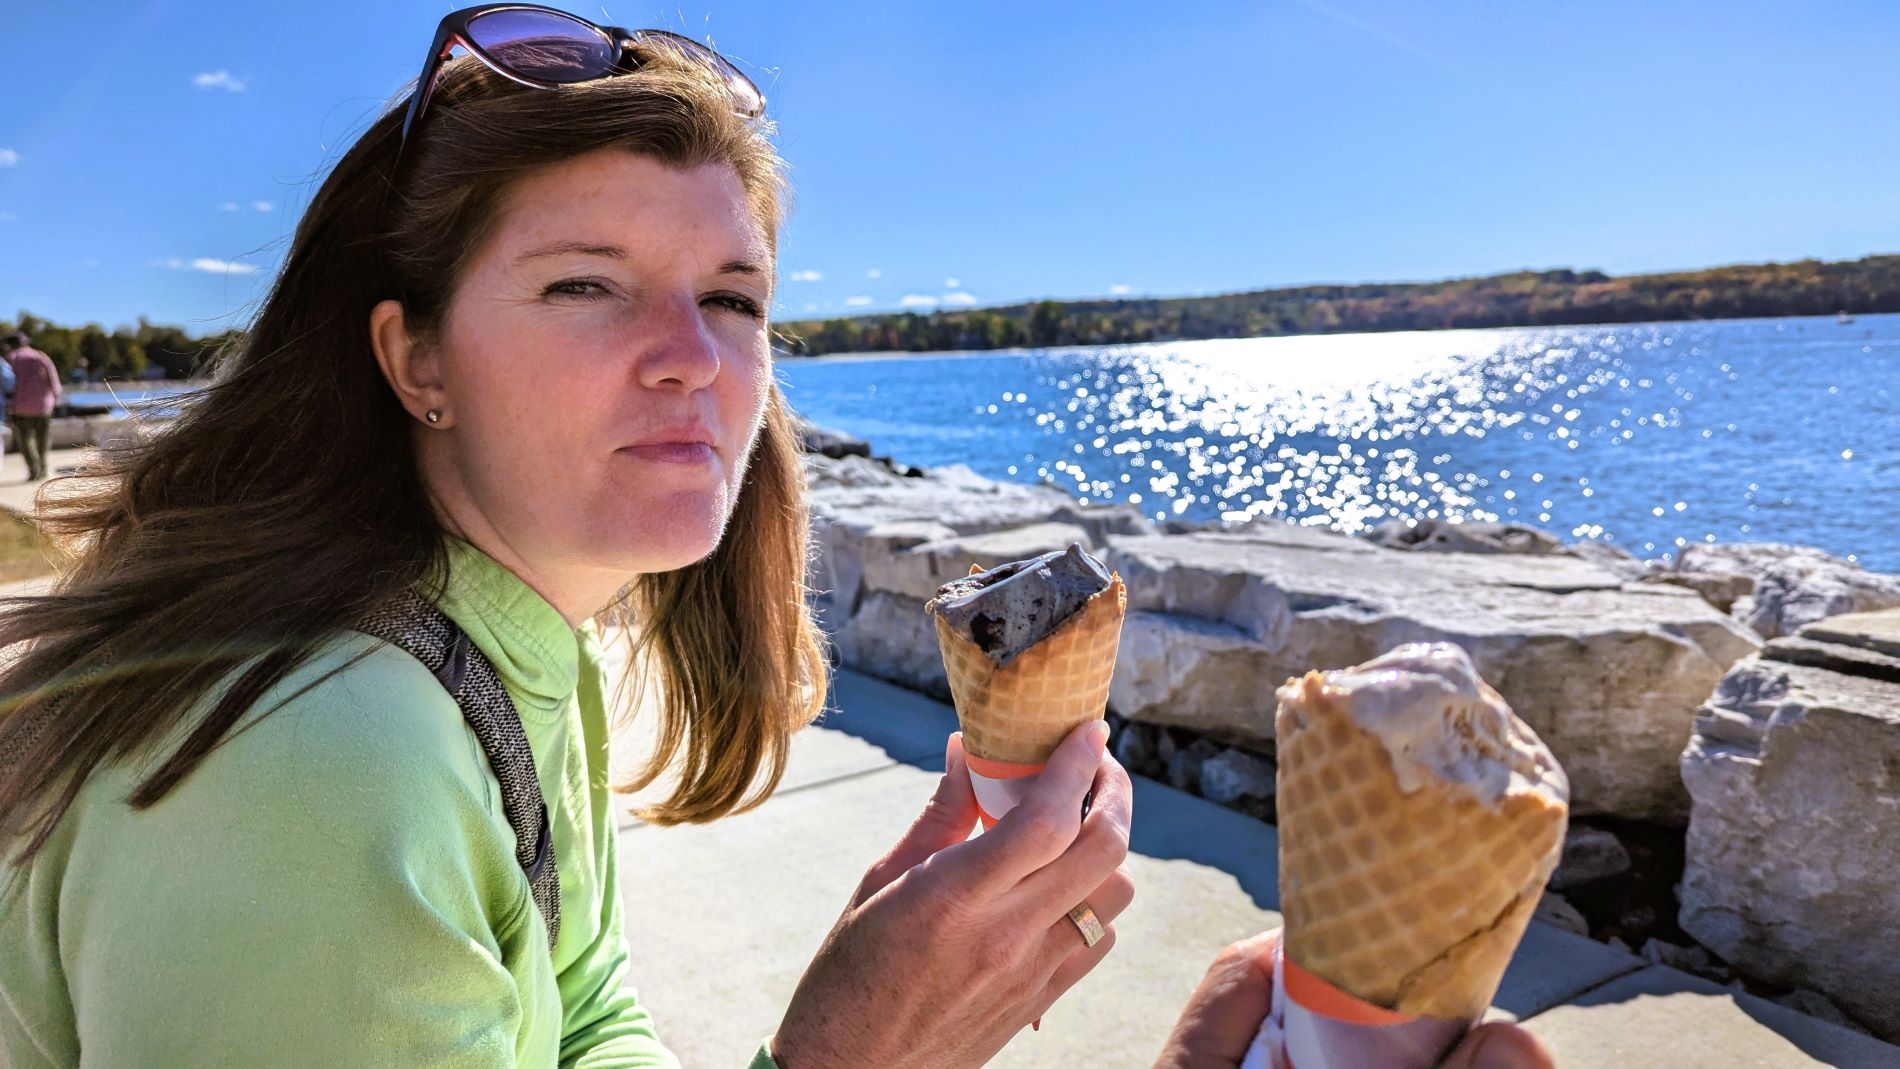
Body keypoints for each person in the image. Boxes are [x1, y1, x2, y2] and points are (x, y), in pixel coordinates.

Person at [0, 7, 1550, 1069]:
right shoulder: (324, 765)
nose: (696, 357)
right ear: (414, 359)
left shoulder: (499, 643)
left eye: (733, 298)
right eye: (586, 284)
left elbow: (585, 1019)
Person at [2, 331, 61, 481]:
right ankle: (43, 467)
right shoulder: (40, 356)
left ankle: (33, 470)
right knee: (43, 439)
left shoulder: (11, 358)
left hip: (19, 406)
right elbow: (54, 380)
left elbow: (7, 384)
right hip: (43, 405)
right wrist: (55, 398)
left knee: (25, 440)